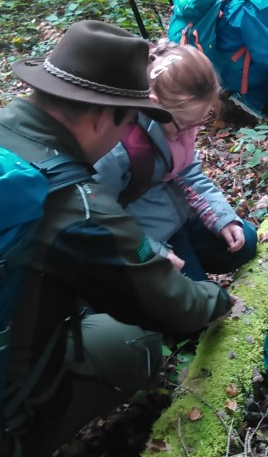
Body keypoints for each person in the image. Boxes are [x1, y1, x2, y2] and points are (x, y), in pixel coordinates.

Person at [0, 20, 232, 457]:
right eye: (128, 122)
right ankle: (2, 455)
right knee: (135, 341)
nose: (125, 136)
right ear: (103, 116)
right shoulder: (77, 203)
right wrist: (220, 300)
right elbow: (174, 305)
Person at [94, 41, 257, 280]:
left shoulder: (180, 121)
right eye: (186, 123)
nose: (191, 130)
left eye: (199, 121)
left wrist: (222, 218)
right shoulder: (117, 146)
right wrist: (154, 251)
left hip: (181, 215)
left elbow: (189, 171)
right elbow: (100, 212)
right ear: (154, 103)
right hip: (149, 231)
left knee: (246, 241)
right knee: (195, 295)